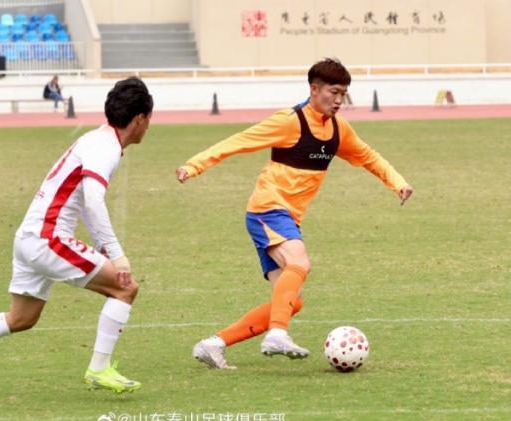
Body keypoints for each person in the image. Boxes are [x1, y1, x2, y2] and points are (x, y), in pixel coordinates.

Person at [176, 58, 413, 369]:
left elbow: (368, 156)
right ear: (314, 89)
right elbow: (240, 142)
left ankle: (213, 344)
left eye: (343, 94)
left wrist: (397, 182)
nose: (339, 101)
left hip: (286, 218)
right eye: (333, 93)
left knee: (290, 301)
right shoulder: (290, 121)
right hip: (268, 209)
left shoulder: (339, 130)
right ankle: (277, 334)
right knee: (300, 263)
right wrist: (194, 165)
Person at [0, 77, 153, 394]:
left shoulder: (97, 139)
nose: (149, 126)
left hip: (28, 238)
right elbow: (93, 200)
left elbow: (85, 200)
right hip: (48, 239)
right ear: (139, 119)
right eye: (149, 119)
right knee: (126, 289)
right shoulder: (106, 147)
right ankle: (99, 368)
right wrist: (117, 254)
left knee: (21, 318)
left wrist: (102, 245)